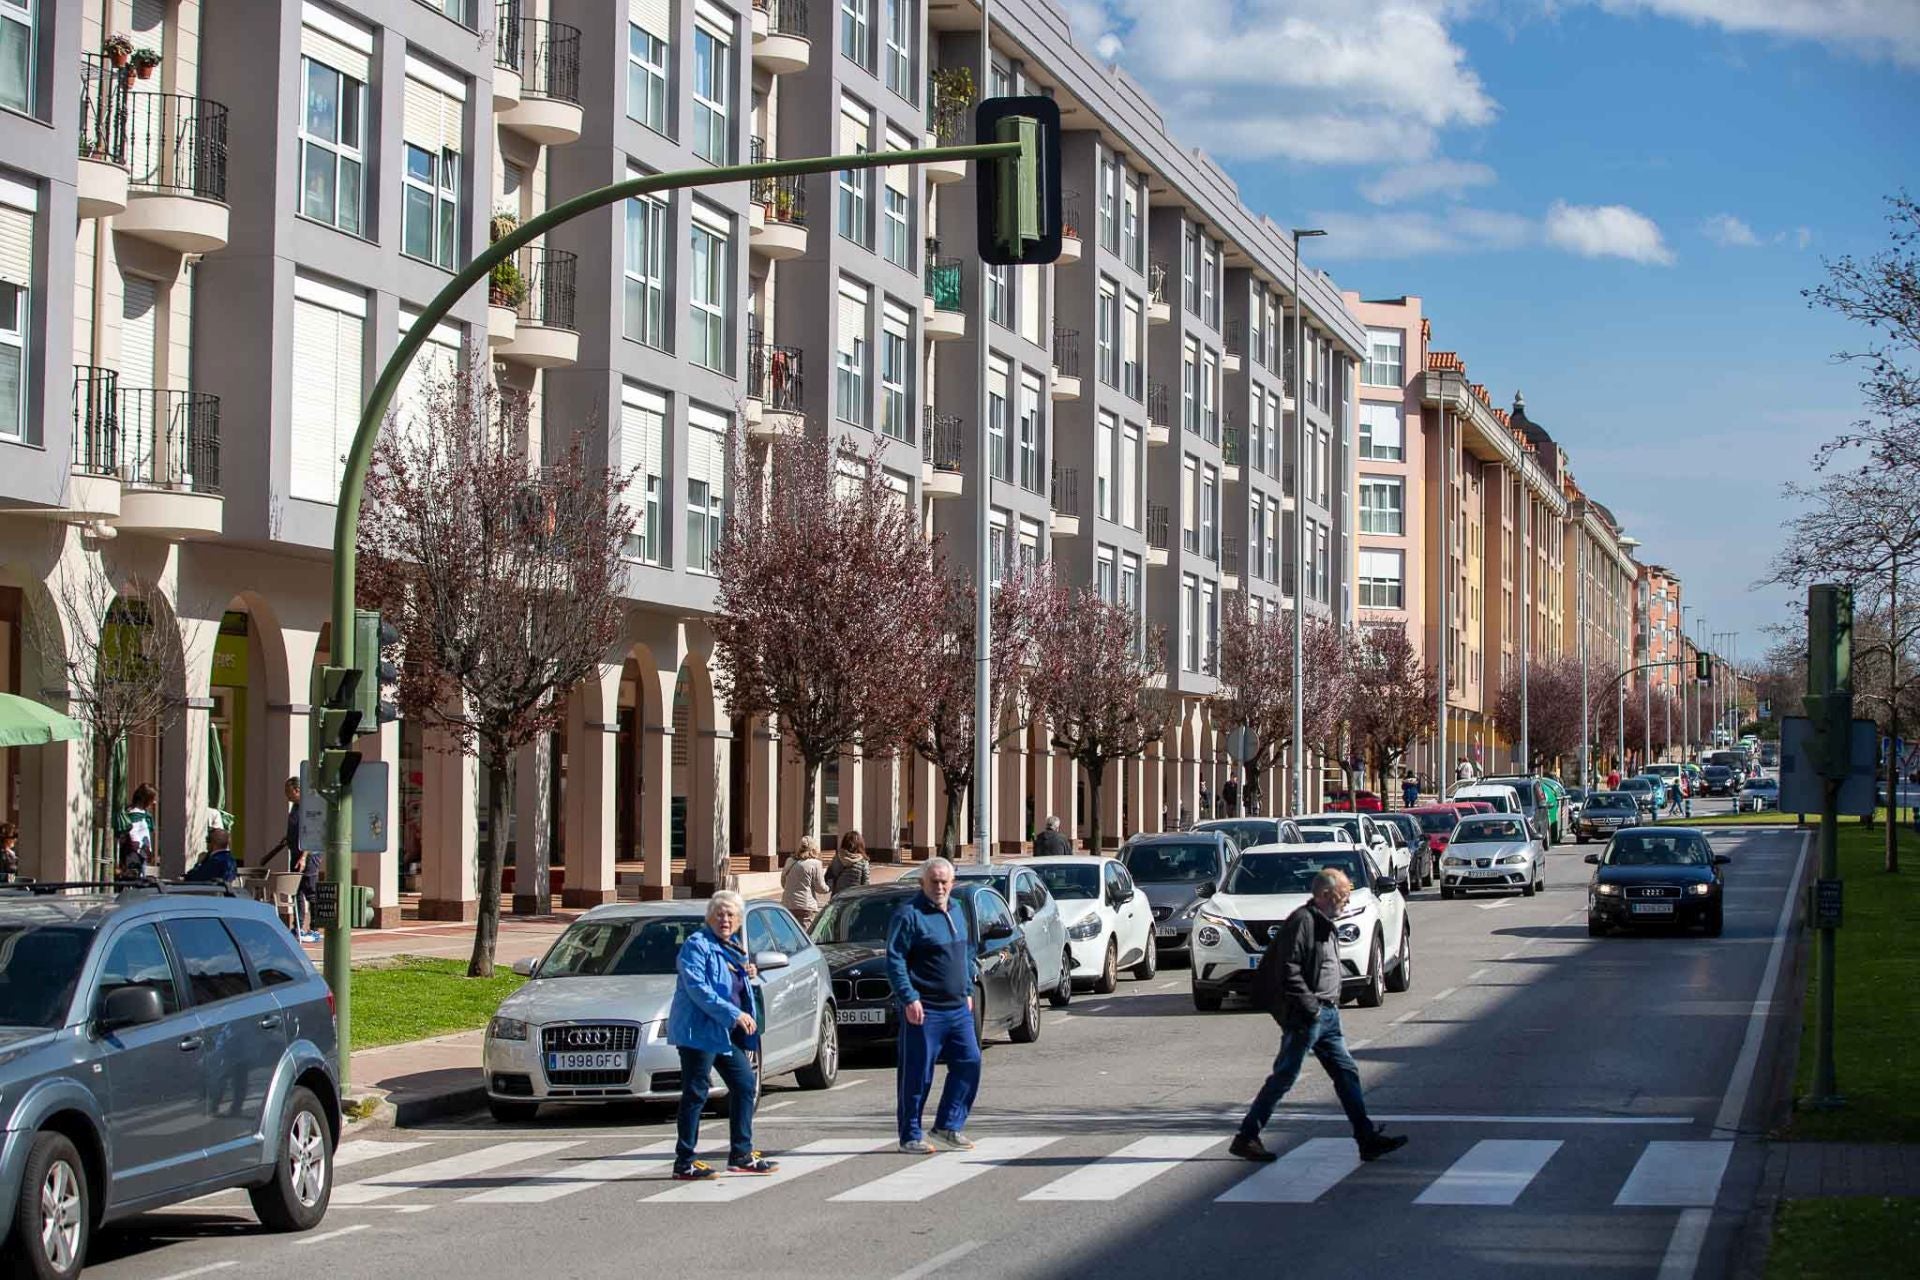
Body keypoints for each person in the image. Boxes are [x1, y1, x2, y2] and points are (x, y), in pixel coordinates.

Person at [1232, 868, 1407, 1165]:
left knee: (1346, 1073)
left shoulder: (1324, 922)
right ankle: (1247, 1136)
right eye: (1343, 896)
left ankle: (1366, 1139)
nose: (1346, 903)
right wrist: (1310, 1007)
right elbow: (1288, 968)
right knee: (1285, 1076)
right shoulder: (1304, 921)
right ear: (1325, 895)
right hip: (1309, 1016)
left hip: (1327, 1015)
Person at [665, 891, 778, 1180]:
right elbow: (699, 989)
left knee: (744, 1084)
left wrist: (745, 972)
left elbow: (732, 984)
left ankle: (741, 1154)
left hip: (722, 1033)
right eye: (719, 914)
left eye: (730, 915)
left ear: (738, 920)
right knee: (696, 1092)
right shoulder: (696, 945)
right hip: (697, 1031)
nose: (724, 919)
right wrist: (735, 1015)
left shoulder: (732, 947)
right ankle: (684, 1161)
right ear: (709, 917)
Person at [886, 857, 981, 1155]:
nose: (939, 887)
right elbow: (895, 959)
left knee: (970, 1062)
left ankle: (947, 1126)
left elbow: (965, 954)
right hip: (925, 1009)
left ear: (952, 883)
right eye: (934, 882)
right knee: (918, 1073)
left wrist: (967, 988)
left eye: (944, 882)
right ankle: (910, 1134)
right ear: (922, 883)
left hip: (957, 1008)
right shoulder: (909, 915)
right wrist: (909, 997)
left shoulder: (956, 909)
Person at [781, 836, 830, 930]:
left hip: (788, 904)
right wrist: (829, 887)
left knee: (791, 934)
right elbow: (820, 887)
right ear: (813, 848)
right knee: (806, 936)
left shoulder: (789, 861)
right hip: (806, 906)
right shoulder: (815, 863)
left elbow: (783, 883)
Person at [117, 784, 158, 880]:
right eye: (152, 799)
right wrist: (141, 849)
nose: (154, 802)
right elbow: (133, 833)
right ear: (146, 799)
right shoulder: (134, 814)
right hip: (135, 855)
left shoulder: (143, 814)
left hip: (141, 854)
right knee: (136, 881)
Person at [826, 831, 872, 896]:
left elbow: (830, 876)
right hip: (854, 897)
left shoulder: (837, 858)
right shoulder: (863, 861)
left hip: (839, 896)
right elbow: (865, 883)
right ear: (860, 844)